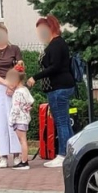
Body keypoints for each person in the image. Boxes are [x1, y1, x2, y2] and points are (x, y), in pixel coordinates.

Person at [27, 14, 75, 168]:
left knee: (61, 122)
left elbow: (53, 67)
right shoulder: (60, 43)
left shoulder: (55, 45)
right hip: (63, 86)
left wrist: (35, 77)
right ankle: (72, 152)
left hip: (58, 88)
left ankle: (62, 155)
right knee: (65, 122)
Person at [0, 22, 23, 168]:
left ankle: (17, 154)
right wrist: (6, 83)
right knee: (0, 121)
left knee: (14, 120)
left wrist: (12, 84)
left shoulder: (14, 49)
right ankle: (3, 156)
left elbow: (20, 67)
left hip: (13, 87)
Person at [6, 62, 33, 171]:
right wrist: (27, 108)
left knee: (22, 141)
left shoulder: (17, 93)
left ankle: (24, 162)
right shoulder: (25, 90)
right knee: (23, 140)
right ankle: (24, 160)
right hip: (25, 119)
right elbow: (31, 101)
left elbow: (15, 108)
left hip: (19, 119)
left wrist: (11, 120)